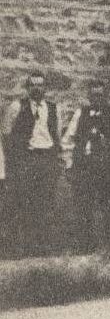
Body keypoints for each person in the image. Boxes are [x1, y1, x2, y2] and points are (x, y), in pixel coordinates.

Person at [63, 78, 110, 253]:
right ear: (88, 95)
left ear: (106, 95)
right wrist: (69, 164)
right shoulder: (81, 113)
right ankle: (85, 247)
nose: (97, 98)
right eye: (93, 94)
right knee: (83, 207)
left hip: (106, 169)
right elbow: (67, 140)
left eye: (100, 94)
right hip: (84, 168)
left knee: (108, 207)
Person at [1, 71, 68, 255]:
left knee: (46, 202)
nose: (37, 88)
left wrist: (57, 157)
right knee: (26, 202)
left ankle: (43, 246)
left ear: (45, 87)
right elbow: (6, 134)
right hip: (28, 160)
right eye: (33, 85)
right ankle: (27, 246)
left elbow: (58, 134)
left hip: (47, 159)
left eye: (40, 84)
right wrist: (16, 160)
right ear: (28, 88)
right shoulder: (17, 106)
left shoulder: (54, 108)